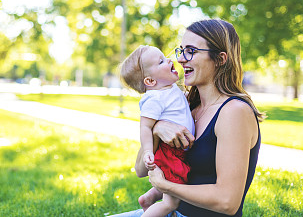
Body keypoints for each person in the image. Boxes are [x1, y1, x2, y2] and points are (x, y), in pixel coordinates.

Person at [112, 19, 264, 217]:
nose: (181, 59)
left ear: (220, 59)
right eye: (181, 50)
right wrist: (157, 129)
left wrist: (166, 187)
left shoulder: (234, 112)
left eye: (191, 51)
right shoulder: (185, 106)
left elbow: (228, 202)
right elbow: (141, 169)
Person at [119, 45, 195, 216]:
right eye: (161, 61)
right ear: (151, 81)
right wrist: (147, 151)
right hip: (170, 152)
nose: (169, 60)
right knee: (170, 203)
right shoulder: (154, 98)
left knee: (174, 185)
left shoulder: (171, 88)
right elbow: (145, 126)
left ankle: (149, 198)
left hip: (176, 151)